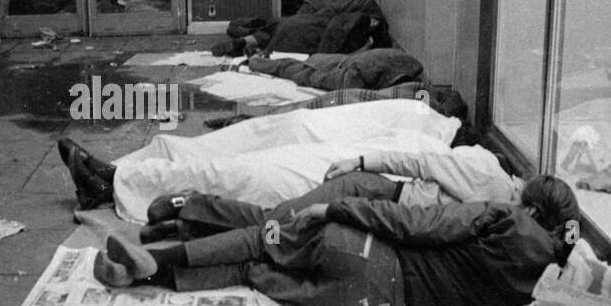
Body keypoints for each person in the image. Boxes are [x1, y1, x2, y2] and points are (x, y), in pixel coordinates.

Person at [92, 175, 580, 306]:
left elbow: (414, 224)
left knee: (262, 239)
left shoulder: (507, 219)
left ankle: (158, 262)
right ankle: (141, 277)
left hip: (368, 255)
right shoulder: (540, 292)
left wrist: (335, 209)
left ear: (532, 208)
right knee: (250, 271)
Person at [57, 98, 464, 221]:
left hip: (357, 177)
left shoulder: (486, 203)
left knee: (240, 174)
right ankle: (130, 170)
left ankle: (113, 182)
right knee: (256, 139)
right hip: (358, 160)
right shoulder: (434, 130)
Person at [139, 144, 524, 243]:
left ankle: (186, 227)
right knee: (279, 220)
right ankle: (189, 207)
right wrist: (359, 160)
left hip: (384, 214)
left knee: (281, 231)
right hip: (377, 194)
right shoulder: (488, 174)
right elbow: (417, 162)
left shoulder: (506, 214)